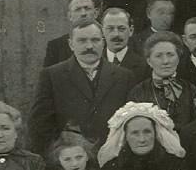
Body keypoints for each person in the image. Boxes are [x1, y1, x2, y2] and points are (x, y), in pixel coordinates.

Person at [29, 18, 135, 156]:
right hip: (70, 163)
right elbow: (40, 126)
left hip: (114, 160)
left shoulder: (124, 77)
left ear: (103, 42)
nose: (89, 46)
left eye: (95, 40)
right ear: (71, 44)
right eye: (82, 41)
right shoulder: (52, 76)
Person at [128, 31, 195, 130]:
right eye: (158, 56)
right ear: (149, 61)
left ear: (178, 58)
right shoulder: (138, 92)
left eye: (170, 55)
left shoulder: (191, 91)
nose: (165, 61)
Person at [43, 0, 98, 67]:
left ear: (95, 13)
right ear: (69, 16)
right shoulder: (56, 47)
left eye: (87, 8)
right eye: (78, 9)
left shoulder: (107, 41)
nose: (83, 13)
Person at [101, 7, 150, 82]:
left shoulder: (144, 66)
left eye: (121, 29)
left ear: (131, 31)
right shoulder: (95, 62)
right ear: (102, 31)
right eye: (110, 29)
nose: (116, 34)